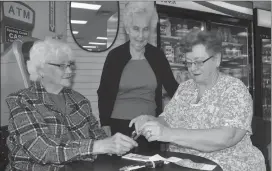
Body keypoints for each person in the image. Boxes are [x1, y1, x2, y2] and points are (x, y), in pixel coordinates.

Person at [130, 29, 266, 171]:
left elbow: (227, 137)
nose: (193, 68)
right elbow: (167, 120)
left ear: (217, 59)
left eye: (199, 62)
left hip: (228, 165)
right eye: (188, 63)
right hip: (184, 164)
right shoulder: (184, 89)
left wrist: (166, 133)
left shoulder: (234, 89)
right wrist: (150, 121)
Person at [5, 38, 138, 171]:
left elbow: (97, 135)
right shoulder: (21, 100)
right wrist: (98, 146)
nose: (69, 71)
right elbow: (43, 150)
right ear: (40, 70)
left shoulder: (80, 101)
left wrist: (115, 145)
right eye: (61, 66)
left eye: (70, 65)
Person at [97, 2, 179, 152]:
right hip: (119, 126)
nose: (141, 36)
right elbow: (104, 92)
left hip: (149, 126)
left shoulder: (157, 56)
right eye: (136, 29)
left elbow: (174, 88)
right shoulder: (115, 56)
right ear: (127, 29)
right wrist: (105, 124)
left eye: (145, 29)